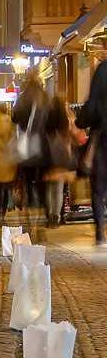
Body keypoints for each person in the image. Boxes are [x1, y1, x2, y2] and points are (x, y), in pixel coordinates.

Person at [11, 72, 50, 221]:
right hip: (43, 146)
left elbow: (14, 118)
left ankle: (29, 211)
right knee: (42, 182)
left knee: (27, 179)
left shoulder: (23, 97)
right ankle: (44, 213)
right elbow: (52, 120)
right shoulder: (45, 97)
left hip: (26, 146)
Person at [77, 60, 107, 246]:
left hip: (102, 140)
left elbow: (85, 117)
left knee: (98, 188)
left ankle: (99, 233)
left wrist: (81, 121)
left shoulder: (103, 69)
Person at [43, 96, 78, 229]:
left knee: (49, 188)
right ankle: (56, 216)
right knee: (58, 188)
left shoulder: (48, 117)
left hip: (49, 155)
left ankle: (50, 214)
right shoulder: (65, 118)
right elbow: (73, 133)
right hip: (62, 156)